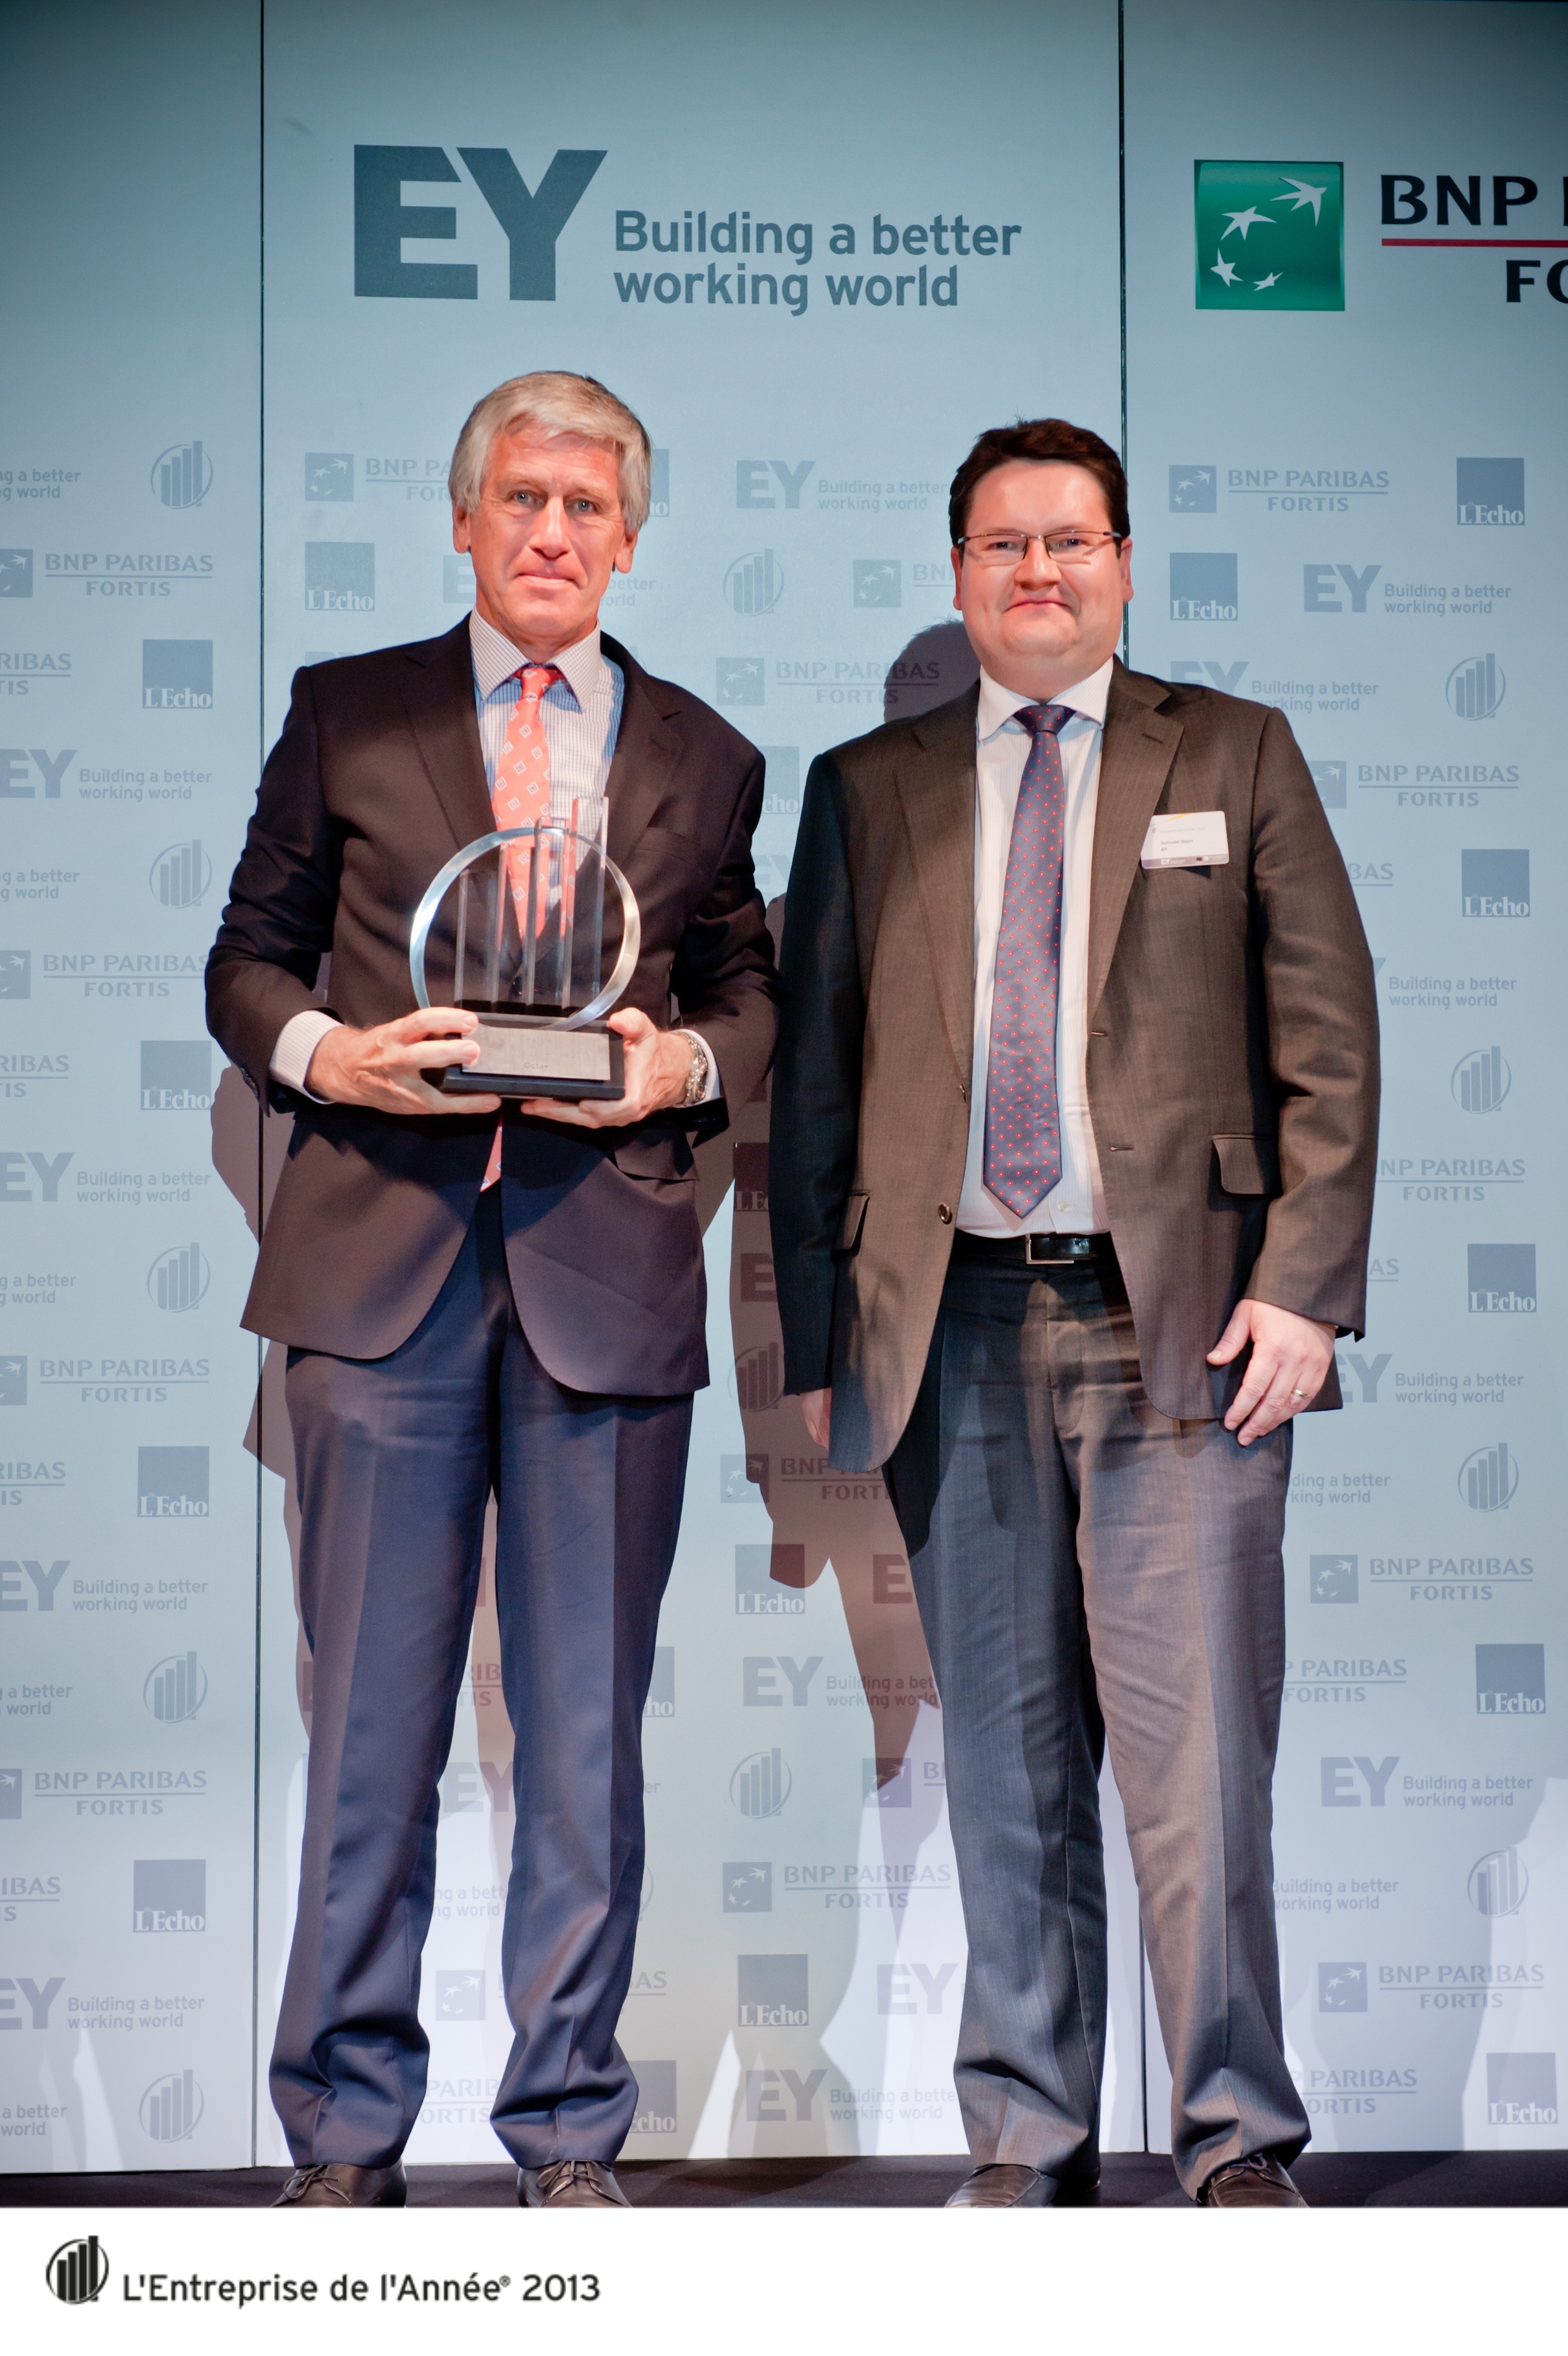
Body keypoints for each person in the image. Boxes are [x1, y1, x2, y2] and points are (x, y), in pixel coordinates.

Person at [768, 418, 1377, 2209]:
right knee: (1005, 1772)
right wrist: (821, 1346)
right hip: (944, 1335)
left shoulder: (1235, 752)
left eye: (1071, 541)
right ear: (958, 573)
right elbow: (815, 1090)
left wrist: (1305, 1288)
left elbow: (1329, 1044)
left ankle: (1234, 2139)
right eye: (1004, 544)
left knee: (1201, 1775)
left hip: (1183, 1332)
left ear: (1122, 564)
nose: (1038, 571)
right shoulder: (866, 787)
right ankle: (1027, 2141)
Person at [208, 371, 776, 2210]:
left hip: (604, 1286)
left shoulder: (706, 752)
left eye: (587, 506)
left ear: (630, 539)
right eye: (522, 497)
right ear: (465, 520)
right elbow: (245, 958)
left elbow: (750, 994)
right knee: (369, 1729)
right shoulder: (349, 712)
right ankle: (342, 2137)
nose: (552, 531)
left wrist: (681, 1064)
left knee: (583, 1741)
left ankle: (569, 2133)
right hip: (380, 1275)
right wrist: (330, 1056)